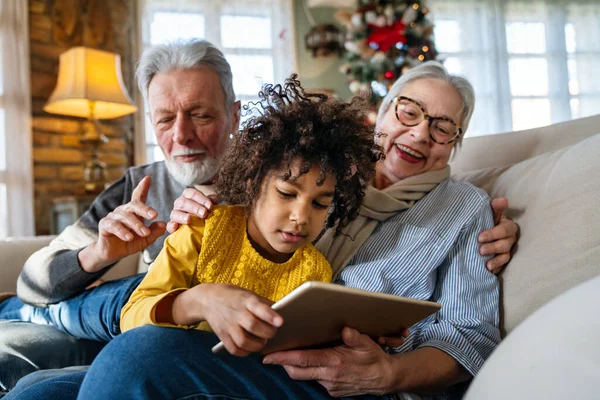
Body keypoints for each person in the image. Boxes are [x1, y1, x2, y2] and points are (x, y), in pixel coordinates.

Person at [0, 40, 515, 395]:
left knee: (135, 358)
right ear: (377, 117)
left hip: (341, 376)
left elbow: (471, 335)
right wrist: (120, 249)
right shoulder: (317, 167)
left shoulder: (466, 210)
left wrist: (390, 374)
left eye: (444, 127)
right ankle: (29, 316)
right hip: (217, 339)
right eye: (408, 112)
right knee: (38, 392)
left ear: (456, 144)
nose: (422, 133)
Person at [120, 75, 383, 356]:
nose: (301, 216)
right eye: (286, 194)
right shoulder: (202, 230)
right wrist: (199, 301)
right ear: (253, 183)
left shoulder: (315, 272)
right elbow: (131, 317)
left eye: (319, 204)